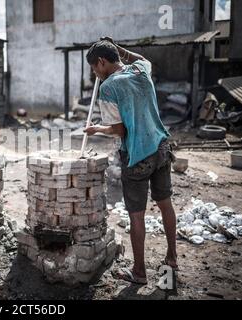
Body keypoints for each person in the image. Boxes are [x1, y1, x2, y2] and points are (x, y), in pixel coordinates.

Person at [84, 37, 178, 285]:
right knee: (165, 204)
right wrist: (120, 49)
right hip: (160, 148)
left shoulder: (109, 87)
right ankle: (172, 256)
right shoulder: (140, 69)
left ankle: (139, 272)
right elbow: (143, 58)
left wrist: (96, 129)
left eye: (95, 68)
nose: (95, 73)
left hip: (137, 157)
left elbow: (119, 130)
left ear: (102, 62)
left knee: (137, 215)